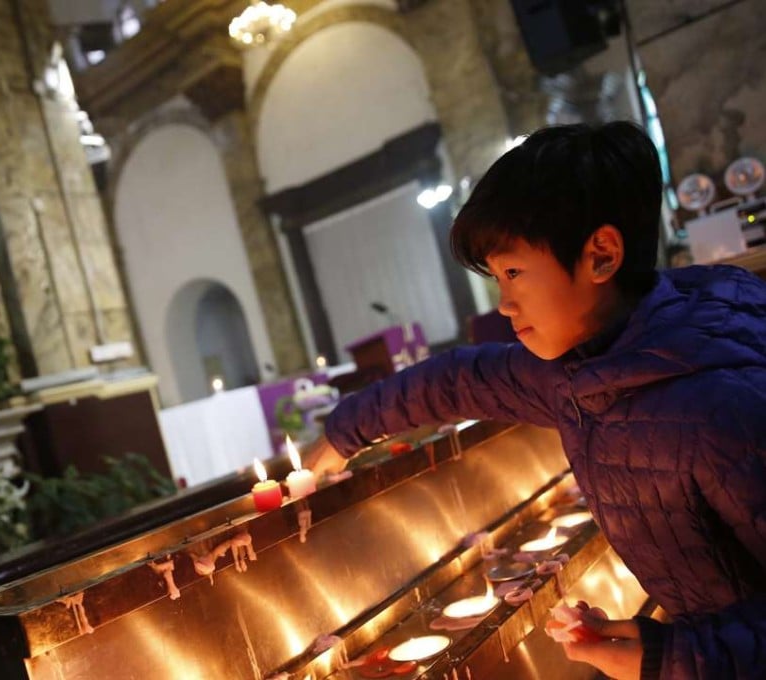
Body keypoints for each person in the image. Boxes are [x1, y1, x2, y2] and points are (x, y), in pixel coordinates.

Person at [304, 121, 766, 679]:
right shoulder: (581, 372)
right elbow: (460, 380)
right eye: (498, 278)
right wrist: (344, 431)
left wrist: (673, 658)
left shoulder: (722, 408)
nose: (504, 303)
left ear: (601, 255)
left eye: (515, 272)